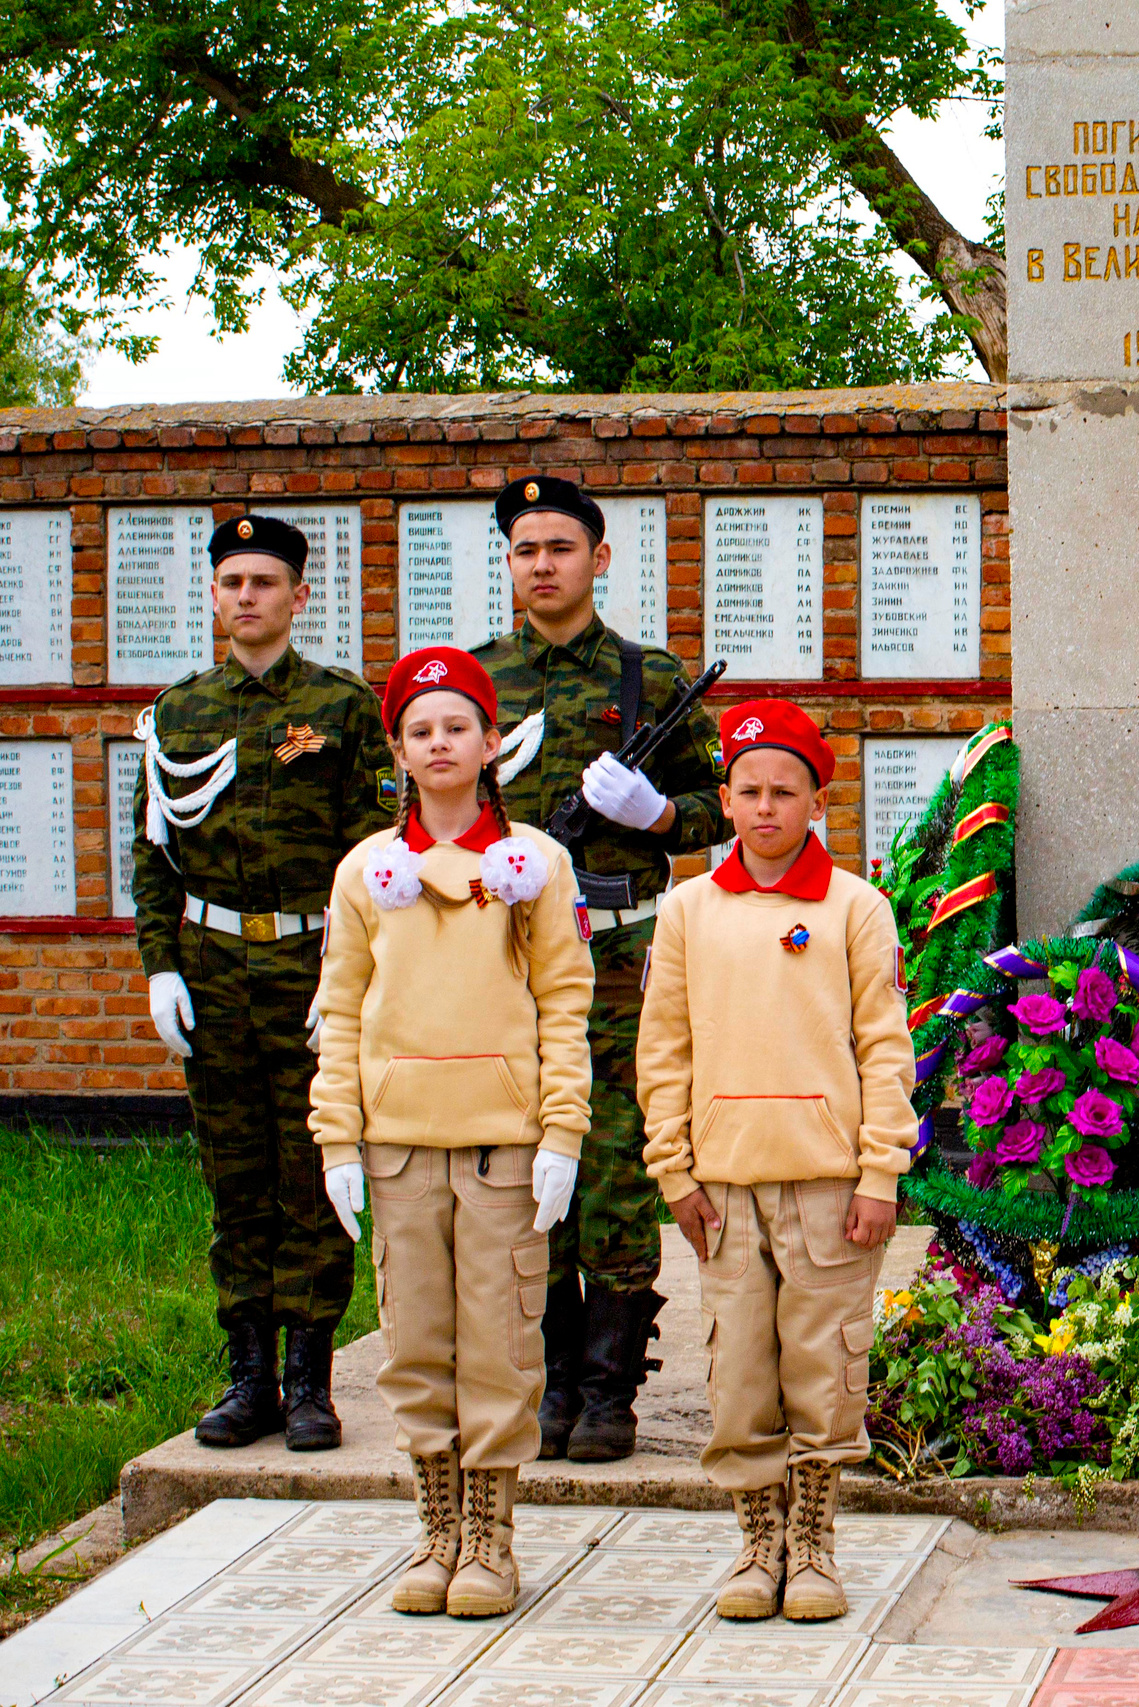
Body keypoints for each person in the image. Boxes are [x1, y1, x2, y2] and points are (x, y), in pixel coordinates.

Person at [309, 646, 593, 1619]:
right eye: (420, 729)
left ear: (488, 743)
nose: (439, 744)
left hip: (501, 1144)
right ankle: (435, 1531)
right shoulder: (367, 871)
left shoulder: (532, 867)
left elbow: (563, 1002)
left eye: (456, 726)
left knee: (501, 1346)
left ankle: (492, 1538)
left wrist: (562, 1133)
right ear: (397, 748)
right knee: (416, 1346)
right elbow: (340, 1012)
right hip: (397, 1145)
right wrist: (336, 1141)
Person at [638, 699, 914, 1622]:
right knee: (740, 1374)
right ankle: (758, 1543)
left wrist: (881, 1170)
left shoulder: (854, 908)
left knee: (823, 1369)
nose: (765, 807)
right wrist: (674, 1168)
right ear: (724, 798)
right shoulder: (687, 911)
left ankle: (816, 1543)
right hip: (723, 1184)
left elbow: (884, 1046)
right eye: (749, 789)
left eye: (783, 791)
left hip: (830, 1184)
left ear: (814, 803)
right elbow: (664, 1051)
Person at [132, 513, 396, 1451]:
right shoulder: (178, 711)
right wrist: (160, 964)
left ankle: (311, 1379)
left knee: (315, 1170)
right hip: (211, 971)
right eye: (232, 581)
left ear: (297, 595)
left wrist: (349, 970)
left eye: (264, 581)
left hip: (308, 965)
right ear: (214, 594)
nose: (247, 596)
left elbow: (375, 854)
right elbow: (155, 852)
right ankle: (248, 1376)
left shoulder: (342, 707)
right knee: (235, 1176)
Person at [475, 475, 726, 1462]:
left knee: (618, 1162)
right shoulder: (475, 683)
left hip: (620, 949)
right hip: (505, 955)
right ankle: (549, 1378)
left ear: (599, 559)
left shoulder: (650, 681)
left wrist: (657, 818)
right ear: (509, 561)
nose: (544, 565)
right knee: (531, 1161)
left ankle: (611, 1389)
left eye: (561, 547)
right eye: (526, 549)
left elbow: (724, 807)